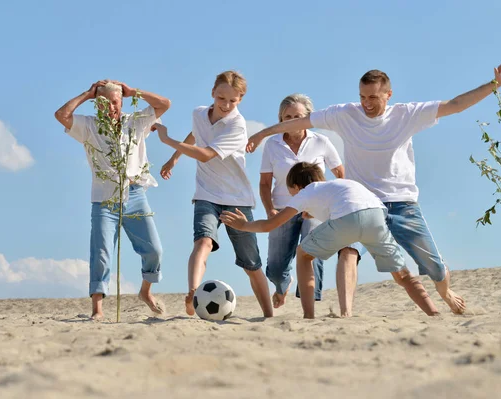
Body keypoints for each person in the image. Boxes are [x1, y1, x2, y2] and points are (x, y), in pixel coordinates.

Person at [246, 61, 501, 316]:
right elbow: (300, 123)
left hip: (402, 202)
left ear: (388, 95)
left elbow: (456, 105)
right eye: (362, 96)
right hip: (361, 204)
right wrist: (261, 134)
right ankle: (346, 313)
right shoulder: (345, 114)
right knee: (349, 252)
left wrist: (496, 84)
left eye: (373, 97)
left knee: (433, 266)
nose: (366, 103)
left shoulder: (407, 114)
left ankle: (444, 293)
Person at [155, 70, 274, 318]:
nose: (226, 105)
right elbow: (196, 135)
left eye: (232, 100)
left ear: (240, 99)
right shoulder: (199, 113)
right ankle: (193, 291)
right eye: (221, 98)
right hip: (206, 195)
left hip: (236, 201)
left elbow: (205, 154)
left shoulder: (237, 125)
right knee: (203, 241)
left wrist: (168, 141)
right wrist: (173, 160)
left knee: (251, 264)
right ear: (212, 93)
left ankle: (269, 315)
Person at [220, 162, 405, 319]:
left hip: (352, 221)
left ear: (296, 187)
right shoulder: (335, 189)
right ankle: (427, 305)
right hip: (375, 217)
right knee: (398, 273)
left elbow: (270, 224)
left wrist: (244, 226)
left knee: (305, 253)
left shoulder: (304, 193)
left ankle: (309, 315)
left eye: (290, 191)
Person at [54, 80, 171, 320]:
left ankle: (145, 292)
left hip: (135, 194)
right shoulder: (89, 125)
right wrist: (87, 94)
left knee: (154, 250)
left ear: (122, 101)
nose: (110, 108)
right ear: (97, 104)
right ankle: (97, 309)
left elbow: (165, 104)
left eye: (115, 102)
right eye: (104, 103)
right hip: (104, 200)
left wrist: (134, 92)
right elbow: (61, 115)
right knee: (101, 253)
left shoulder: (135, 122)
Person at [260, 94, 344, 309]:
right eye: (287, 116)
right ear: (280, 119)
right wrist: (270, 210)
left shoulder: (321, 141)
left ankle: (310, 305)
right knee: (276, 269)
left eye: (298, 116)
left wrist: (333, 202)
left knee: (312, 251)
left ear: (308, 118)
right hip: (283, 209)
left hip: (314, 209)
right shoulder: (272, 144)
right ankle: (283, 284)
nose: (292, 120)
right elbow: (264, 183)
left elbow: (340, 173)